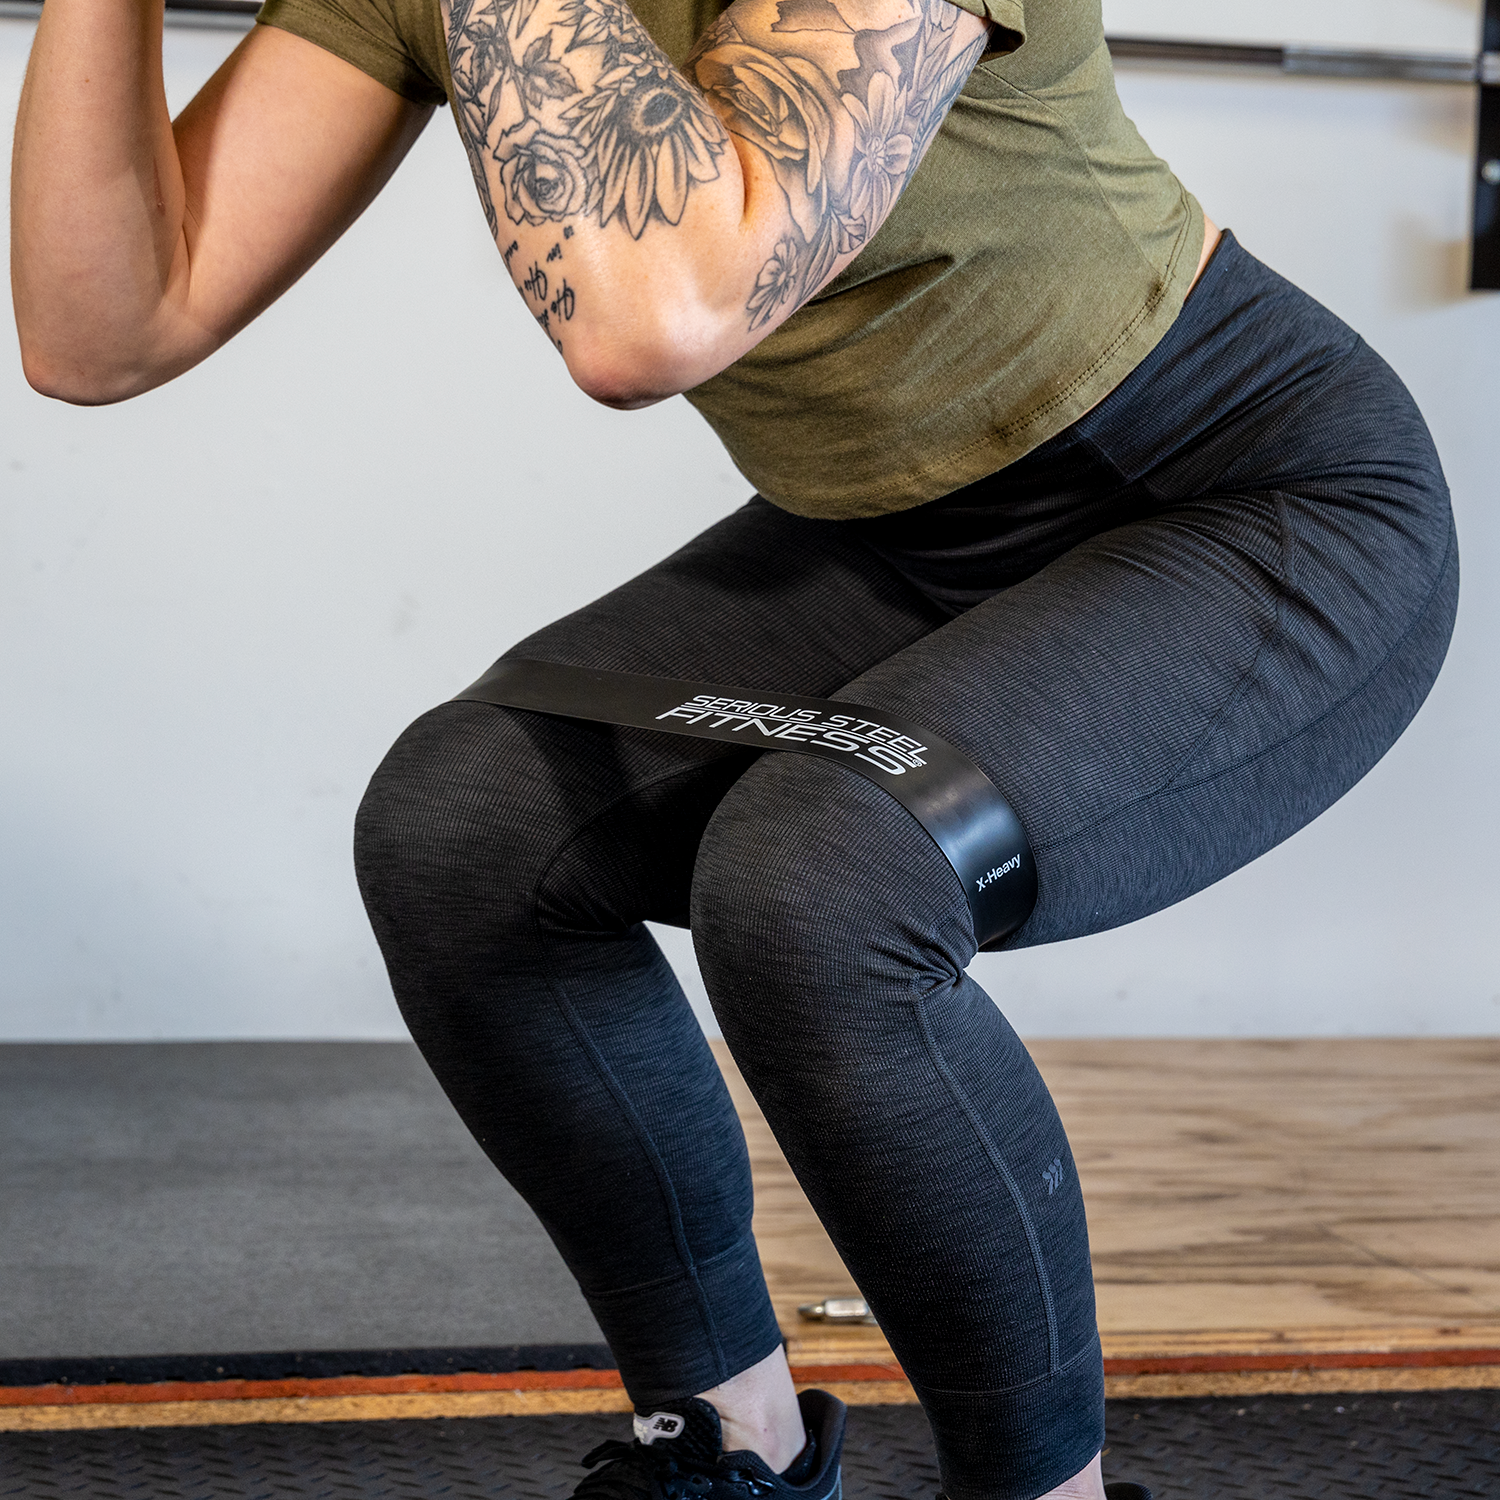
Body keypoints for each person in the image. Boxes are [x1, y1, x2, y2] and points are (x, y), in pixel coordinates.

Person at [11, 0, 1457, 1490]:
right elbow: (101, 327)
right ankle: (728, 1447)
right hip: (890, 540)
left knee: (822, 880)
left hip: (1243, 500)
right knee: (467, 827)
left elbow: (661, 315)